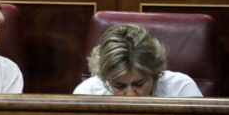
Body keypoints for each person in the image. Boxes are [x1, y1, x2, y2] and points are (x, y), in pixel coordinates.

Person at [73, 24, 202, 97]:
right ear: (105, 79)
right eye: (119, 86)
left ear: (154, 73)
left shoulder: (181, 90)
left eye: (139, 84)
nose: (130, 95)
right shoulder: (87, 93)